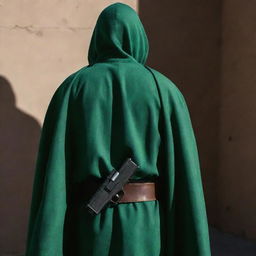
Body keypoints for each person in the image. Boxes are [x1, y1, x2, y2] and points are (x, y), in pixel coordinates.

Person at [24, 2, 212, 256]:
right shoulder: (163, 90)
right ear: (138, 37)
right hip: (145, 227)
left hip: (89, 226)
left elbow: (56, 177)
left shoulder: (72, 89)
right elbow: (182, 177)